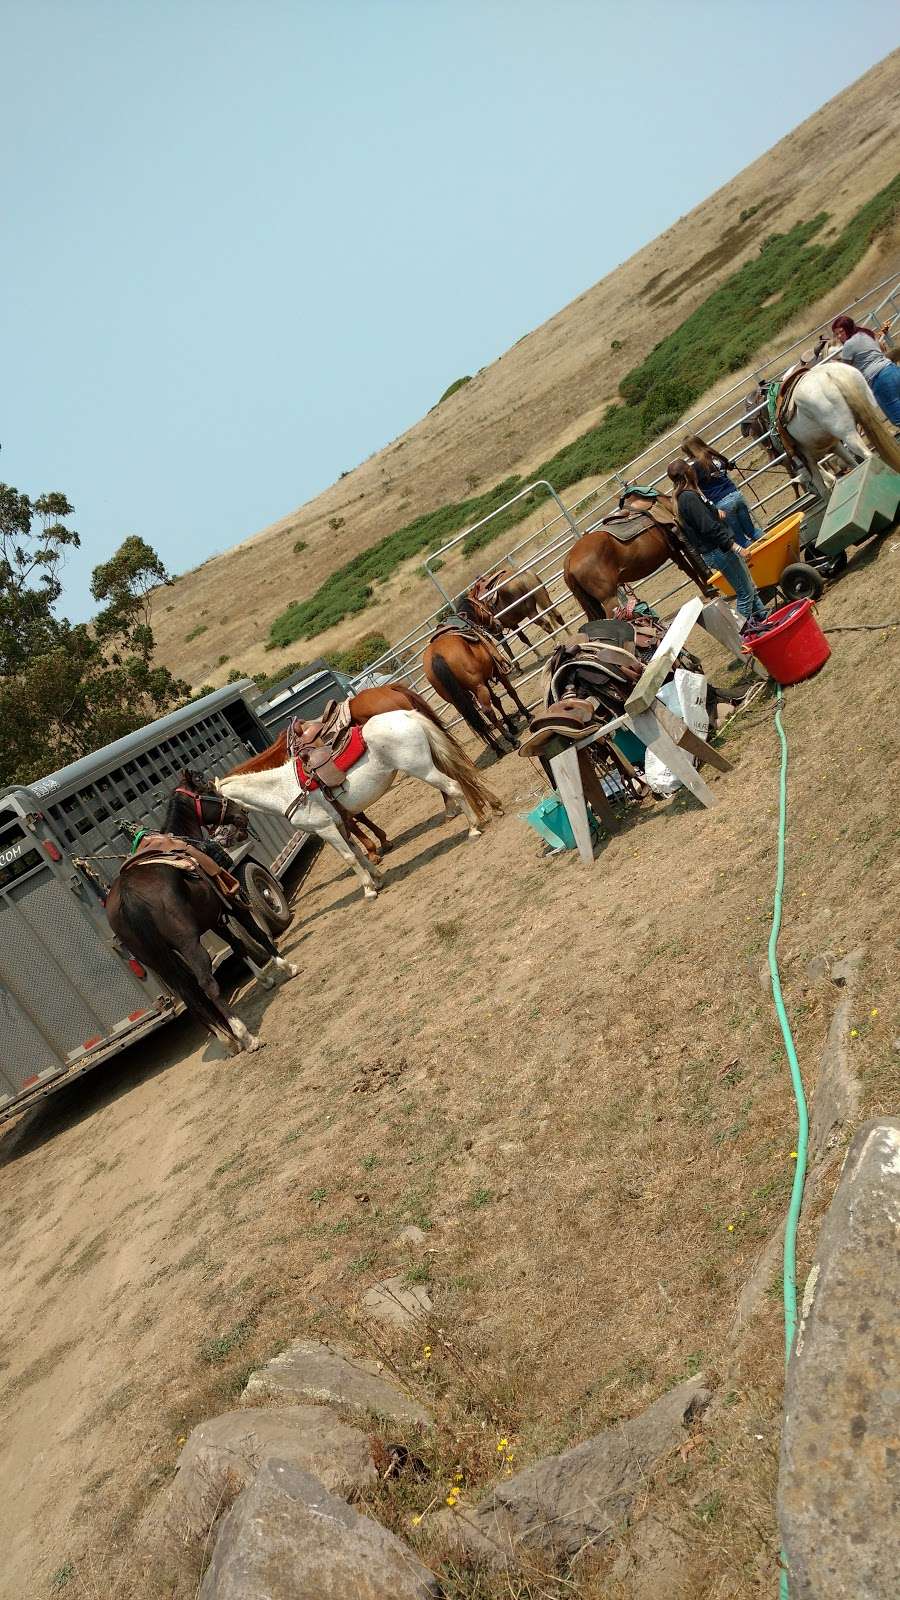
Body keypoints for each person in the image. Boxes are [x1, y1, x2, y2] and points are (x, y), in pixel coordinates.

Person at [667, 459, 767, 625]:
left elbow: (703, 519)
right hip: (719, 550)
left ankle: (763, 620)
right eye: (689, 469)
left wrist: (714, 511)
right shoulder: (689, 498)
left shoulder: (685, 497)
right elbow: (708, 528)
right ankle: (740, 634)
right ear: (687, 474)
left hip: (716, 549)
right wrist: (735, 547)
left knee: (748, 587)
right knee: (745, 594)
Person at [681, 434, 760, 547]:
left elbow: (694, 487)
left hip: (721, 502)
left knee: (740, 540)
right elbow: (729, 465)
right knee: (752, 531)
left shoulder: (694, 467)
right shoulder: (713, 454)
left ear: (689, 451)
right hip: (735, 494)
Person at [831, 315, 900, 424]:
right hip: (893, 369)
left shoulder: (849, 345)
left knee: (897, 418)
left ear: (848, 328)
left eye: (841, 332)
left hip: (879, 380)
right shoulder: (867, 333)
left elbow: (845, 369)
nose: (839, 336)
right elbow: (882, 348)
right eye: (836, 334)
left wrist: (834, 363)